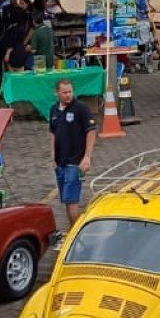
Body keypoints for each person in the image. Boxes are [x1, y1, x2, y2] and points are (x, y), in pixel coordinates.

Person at [47, 79, 96, 226]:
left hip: (75, 163)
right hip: (60, 163)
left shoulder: (81, 108)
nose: (68, 95)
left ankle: (75, 232)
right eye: (64, 92)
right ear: (56, 93)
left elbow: (91, 132)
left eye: (70, 92)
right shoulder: (53, 109)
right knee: (66, 201)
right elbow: (52, 132)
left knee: (72, 201)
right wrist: (52, 155)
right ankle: (73, 230)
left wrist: (87, 157)